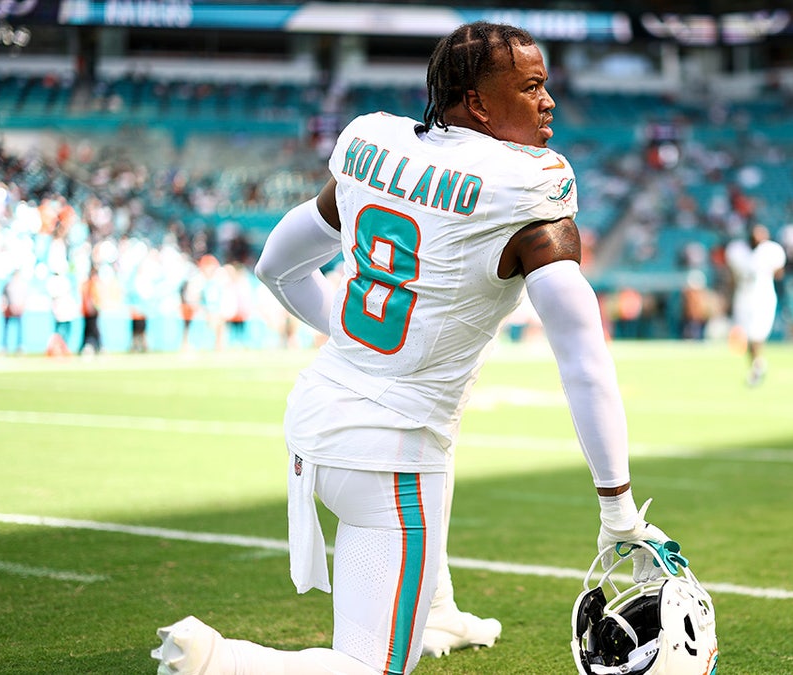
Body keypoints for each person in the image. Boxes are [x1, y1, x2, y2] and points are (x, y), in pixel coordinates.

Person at [154, 22, 671, 675]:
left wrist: (349, 340)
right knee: (370, 667)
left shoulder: (377, 146)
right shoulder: (527, 191)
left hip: (313, 425)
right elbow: (583, 356)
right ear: (479, 102)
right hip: (387, 462)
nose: (550, 102)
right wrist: (617, 506)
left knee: (440, 431)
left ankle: (440, 611)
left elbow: (276, 267)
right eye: (533, 86)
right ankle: (216, 659)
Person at [727, 225, 786, 386]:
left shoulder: (771, 251)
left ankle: (757, 367)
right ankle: (757, 365)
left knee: (756, 335)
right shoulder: (737, 251)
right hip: (743, 298)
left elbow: (779, 273)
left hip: (763, 298)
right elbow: (731, 276)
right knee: (746, 337)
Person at [1, 269, 28, 355]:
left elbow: (24, 298)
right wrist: (6, 306)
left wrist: (21, 306)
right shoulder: (8, 285)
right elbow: (4, 297)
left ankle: (19, 347)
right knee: (6, 329)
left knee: (19, 329)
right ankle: (4, 347)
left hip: (18, 309)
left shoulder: (22, 285)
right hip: (9, 309)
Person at [80, 265, 102, 355]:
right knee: (91, 330)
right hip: (89, 312)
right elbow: (90, 299)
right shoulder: (90, 284)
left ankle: (95, 346)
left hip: (90, 312)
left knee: (91, 330)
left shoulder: (92, 284)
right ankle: (94, 347)